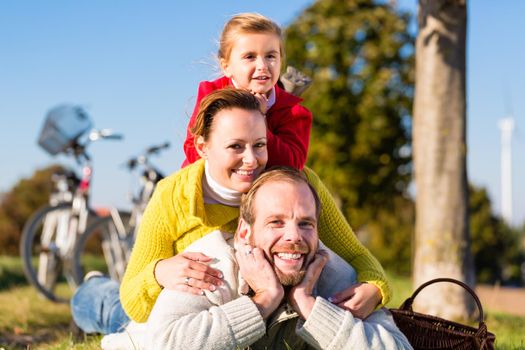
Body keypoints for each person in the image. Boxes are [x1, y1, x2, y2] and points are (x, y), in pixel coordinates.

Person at [71, 88, 391, 335]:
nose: (251, 160)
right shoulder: (173, 195)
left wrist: (374, 288)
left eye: (259, 145)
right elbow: (135, 301)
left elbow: (358, 257)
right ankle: (92, 288)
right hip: (184, 315)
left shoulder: (296, 185)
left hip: (250, 319)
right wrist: (158, 273)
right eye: (236, 147)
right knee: (112, 311)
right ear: (202, 147)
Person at [101, 168, 411, 349]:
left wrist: (309, 306)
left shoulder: (329, 273)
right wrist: (262, 302)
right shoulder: (211, 266)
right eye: (276, 222)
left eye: (305, 223)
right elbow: (162, 344)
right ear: (245, 234)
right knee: (107, 309)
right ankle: (95, 288)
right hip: (135, 328)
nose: (294, 237)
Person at [182, 12, 312, 169]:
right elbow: (193, 150)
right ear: (226, 66)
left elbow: (292, 164)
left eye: (270, 56)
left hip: (263, 188)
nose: (262, 65)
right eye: (250, 56)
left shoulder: (293, 112)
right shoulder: (211, 94)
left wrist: (259, 120)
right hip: (211, 186)